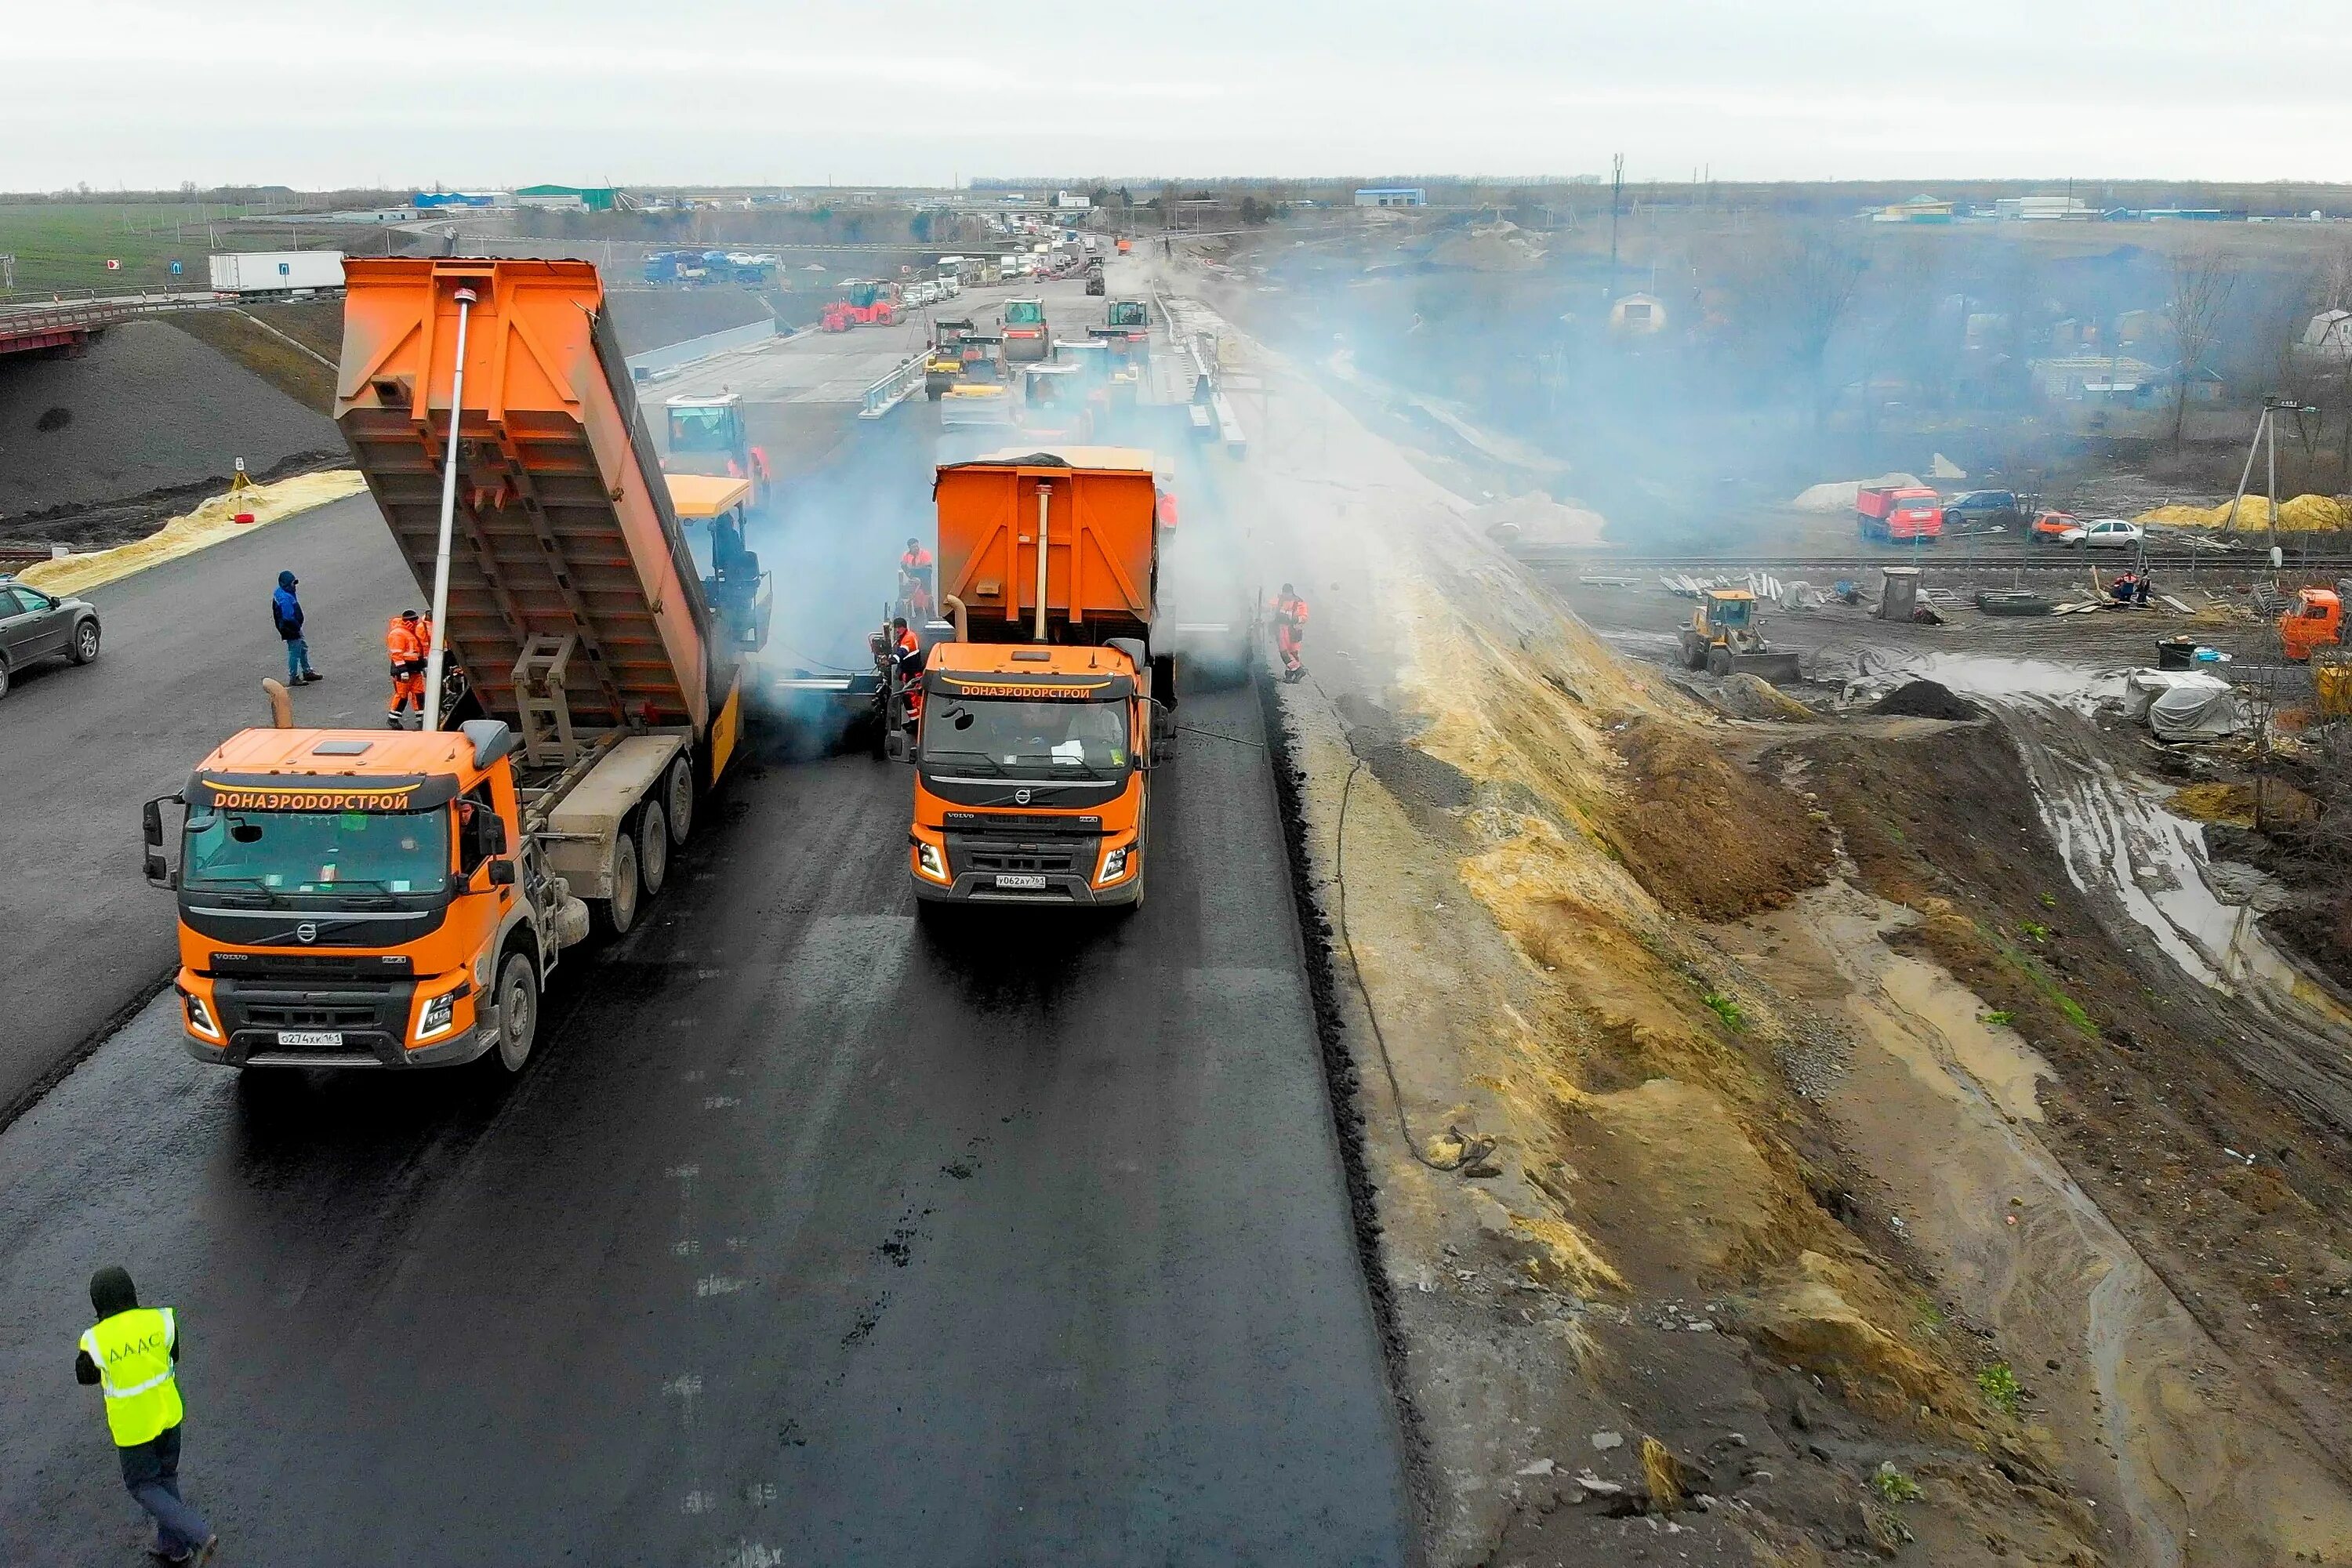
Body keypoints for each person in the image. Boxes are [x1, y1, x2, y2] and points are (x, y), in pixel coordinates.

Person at [75, 1266, 216, 1566]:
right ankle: (173, 1547)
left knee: (143, 1486)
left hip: (135, 1430)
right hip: (168, 1417)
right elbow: (172, 1354)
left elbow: (84, 1375)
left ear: (98, 1302)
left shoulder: (96, 1340)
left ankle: (199, 1534)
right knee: (166, 1479)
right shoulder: (161, 1320)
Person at [271, 570, 319, 686]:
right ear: (286, 584)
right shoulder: (285, 598)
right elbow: (288, 617)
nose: (295, 586)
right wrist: (297, 626)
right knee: (295, 651)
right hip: (290, 628)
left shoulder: (283, 592)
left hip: (291, 627)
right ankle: (294, 676)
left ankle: (307, 671)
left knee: (302, 648)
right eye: (293, 583)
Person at [386, 609, 430, 729]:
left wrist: (422, 665)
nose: (416, 623)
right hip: (404, 671)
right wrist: (403, 670)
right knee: (402, 695)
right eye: (414, 621)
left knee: (419, 694)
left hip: (415, 669)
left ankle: (421, 718)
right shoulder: (398, 634)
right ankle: (393, 718)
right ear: (408, 622)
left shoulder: (409, 632)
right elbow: (396, 654)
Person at [1272, 583, 1309, 683]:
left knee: (1293, 653)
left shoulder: (1299, 603)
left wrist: (1295, 619)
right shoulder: (1280, 600)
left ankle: (1293, 673)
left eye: (1286, 593)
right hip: (1281, 629)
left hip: (1293, 630)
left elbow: (1304, 617)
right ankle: (1295, 672)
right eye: (1283, 593)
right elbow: (1269, 606)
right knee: (1284, 653)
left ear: (1291, 593)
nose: (1285, 595)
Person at [891, 616, 925, 726]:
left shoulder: (909, 638)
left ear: (903, 627)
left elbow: (902, 653)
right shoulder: (905, 636)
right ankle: (914, 721)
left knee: (911, 699)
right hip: (909, 673)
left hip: (913, 674)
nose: (896, 631)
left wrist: (890, 660)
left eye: (898, 628)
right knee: (910, 698)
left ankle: (917, 723)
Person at [898, 538, 935, 619]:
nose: (916, 548)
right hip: (914, 582)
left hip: (925, 581)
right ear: (910, 548)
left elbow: (927, 566)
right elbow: (903, 565)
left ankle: (931, 619)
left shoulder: (924, 553)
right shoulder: (907, 555)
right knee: (916, 601)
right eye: (914, 547)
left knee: (927, 601)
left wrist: (913, 569)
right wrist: (909, 573)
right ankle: (919, 620)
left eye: (917, 546)